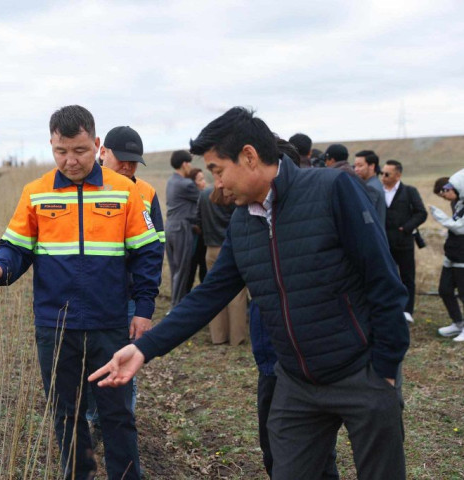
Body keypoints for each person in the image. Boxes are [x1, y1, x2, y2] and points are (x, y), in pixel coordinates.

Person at [90, 107, 410, 480]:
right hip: (297, 385)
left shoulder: (331, 190)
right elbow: (209, 294)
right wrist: (145, 348)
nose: (217, 184)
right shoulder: (243, 223)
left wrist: (385, 369)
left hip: (361, 372)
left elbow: (384, 279)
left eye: (218, 170)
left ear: (249, 156)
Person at [0, 105, 162, 480]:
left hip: (110, 321)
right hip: (55, 324)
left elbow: (147, 252)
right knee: (67, 413)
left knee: (116, 414)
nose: (70, 160)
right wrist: (1, 269)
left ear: (96, 145)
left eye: (79, 151)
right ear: (51, 145)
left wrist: (143, 306)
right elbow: (16, 248)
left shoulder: (125, 192)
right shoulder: (36, 193)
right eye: (61, 151)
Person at [86, 125, 165, 437]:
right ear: (103, 152)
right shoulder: (83, 187)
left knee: (125, 363)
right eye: (124, 160)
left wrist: (144, 307)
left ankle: (121, 423)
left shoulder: (146, 193)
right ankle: (94, 418)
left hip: (129, 298)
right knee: (91, 361)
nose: (129, 167)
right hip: (90, 297)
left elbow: (154, 249)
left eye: (135, 162)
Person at [196, 182, 247, 346]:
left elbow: (198, 220)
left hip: (211, 249)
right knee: (237, 294)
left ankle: (217, 336)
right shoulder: (233, 195)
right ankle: (236, 337)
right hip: (232, 249)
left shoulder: (204, 195)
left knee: (213, 290)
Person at [382, 159, 428, 323]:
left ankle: (407, 310)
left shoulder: (409, 191)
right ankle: (391, 307)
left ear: (397, 175)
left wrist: (406, 228)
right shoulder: (377, 191)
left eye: (387, 173)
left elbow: (421, 213)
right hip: (384, 243)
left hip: (404, 242)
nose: (383, 176)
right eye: (382, 172)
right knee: (387, 275)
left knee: (407, 277)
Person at [430, 170, 464, 341]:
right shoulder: (457, 204)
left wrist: (442, 219)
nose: (444, 194)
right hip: (452, 252)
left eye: (447, 190)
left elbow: (460, 228)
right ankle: (458, 323)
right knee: (445, 289)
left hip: (462, 255)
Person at [165, 150, 200, 306]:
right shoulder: (187, 184)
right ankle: (176, 307)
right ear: (185, 164)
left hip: (170, 227)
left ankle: (174, 305)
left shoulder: (171, 181)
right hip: (181, 228)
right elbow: (204, 198)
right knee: (182, 270)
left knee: (174, 270)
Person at [354, 150, 386, 226]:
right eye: (355, 166)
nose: (356, 169)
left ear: (371, 166)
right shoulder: (374, 183)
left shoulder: (370, 187)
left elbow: (367, 217)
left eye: (360, 166)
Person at [187, 167, 208, 287]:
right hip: (192, 242)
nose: (204, 182)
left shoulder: (205, 197)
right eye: (201, 179)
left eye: (204, 179)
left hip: (204, 241)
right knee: (190, 273)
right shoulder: (189, 200)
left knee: (204, 273)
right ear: (193, 182)